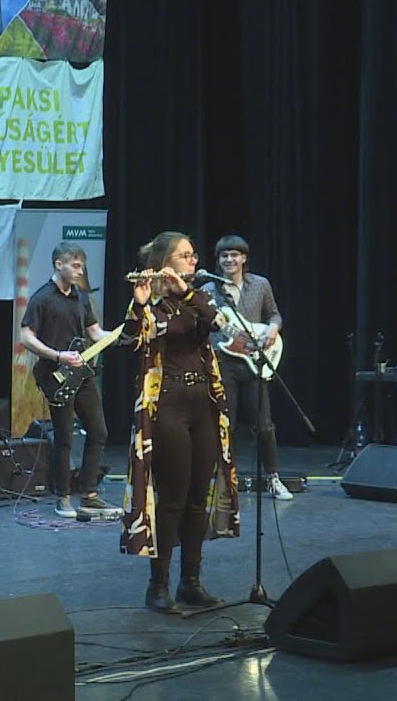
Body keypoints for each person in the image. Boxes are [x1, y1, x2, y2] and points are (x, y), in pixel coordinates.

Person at [121, 232, 240, 614]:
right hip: (168, 402)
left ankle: (191, 582)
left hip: (203, 403)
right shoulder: (149, 301)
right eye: (185, 255)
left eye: (193, 254)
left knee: (197, 497)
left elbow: (223, 325)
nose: (193, 261)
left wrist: (186, 293)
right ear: (164, 262)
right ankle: (157, 587)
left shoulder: (197, 298)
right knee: (172, 499)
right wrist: (139, 305)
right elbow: (128, 342)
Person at [20, 242, 119, 520]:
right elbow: (26, 336)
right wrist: (58, 355)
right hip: (56, 375)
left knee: (98, 432)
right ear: (58, 264)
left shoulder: (81, 298)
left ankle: (89, 495)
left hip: (82, 373)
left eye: (82, 266)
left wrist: (122, 334)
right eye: (75, 266)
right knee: (63, 438)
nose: (80, 271)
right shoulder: (42, 298)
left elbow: (95, 333)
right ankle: (62, 497)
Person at [199, 235, 292, 501]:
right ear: (218, 260)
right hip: (223, 361)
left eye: (234, 255)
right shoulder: (208, 290)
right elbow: (200, 325)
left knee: (264, 425)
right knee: (224, 424)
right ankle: (225, 480)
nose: (229, 259)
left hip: (255, 361)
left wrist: (272, 329)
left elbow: (274, 314)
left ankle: (273, 478)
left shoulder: (260, 284)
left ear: (244, 258)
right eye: (224, 256)